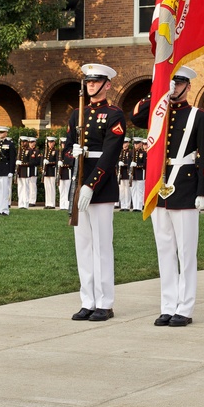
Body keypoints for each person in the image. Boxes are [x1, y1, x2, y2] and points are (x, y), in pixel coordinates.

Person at [130, 66, 204, 327]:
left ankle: (185, 307)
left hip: (186, 187)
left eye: (178, 84)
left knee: (186, 252)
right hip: (160, 188)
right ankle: (168, 304)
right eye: (171, 83)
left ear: (188, 86)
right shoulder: (159, 113)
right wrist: (156, 93)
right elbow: (136, 117)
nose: (174, 87)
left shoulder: (199, 116)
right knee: (164, 249)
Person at [64, 63, 126, 321]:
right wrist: (72, 155)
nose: (91, 85)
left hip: (100, 187)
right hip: (79, 185)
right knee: (83, 246)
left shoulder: (114, 115)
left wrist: (91, 184)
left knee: (101, 246)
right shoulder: (76, 114)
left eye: (96, 81)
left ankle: (104, 302)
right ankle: (87, 300)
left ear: (107, 85)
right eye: (88, 81)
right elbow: (66, 150)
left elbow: (110, 155)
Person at [0, 126, 16, 215]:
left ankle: (5, 209)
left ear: (6, 133)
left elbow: (12, 159)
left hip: (5, 169)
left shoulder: (10, 144)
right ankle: (0, 209)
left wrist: (11, 171)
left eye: (2, 132)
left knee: (5, 191)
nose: (0, 134)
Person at [42, 136, 59, 209]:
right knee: (47, 188)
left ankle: (52, 204)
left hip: (52, 171)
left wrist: (49, 163)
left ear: (54, 143)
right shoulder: (46, 151)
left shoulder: (56, 151)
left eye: (51, 142)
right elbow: (42, 161)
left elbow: (57, 161)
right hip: (46, 172)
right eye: (49, 142)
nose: (50, 144)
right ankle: (47, 203)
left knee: (51, 187)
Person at [130, 137, 146, 211]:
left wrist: (137, 165)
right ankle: (135, 206)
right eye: (135, 144)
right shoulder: (131, 152)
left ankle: (139, 206)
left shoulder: (143, 153)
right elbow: (128, 163)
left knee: (140, 191)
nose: (136, 145)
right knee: (133, 190)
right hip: (133, 174)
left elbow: (145, 164)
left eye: (137, 144)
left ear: (140, 144)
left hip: (140, 174)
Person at [117, 140, 133, 211]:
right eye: (124, 143)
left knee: (127, 190)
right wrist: (118, 163)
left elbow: (131, 161)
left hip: (126, 172)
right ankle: (122, 205)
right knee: (122, 190)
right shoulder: (119, 152)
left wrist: (125, 164)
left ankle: (127, 205)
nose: (125, 145)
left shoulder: (130, 152)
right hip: (121, 173)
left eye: (126, 143)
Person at [57, 145, 72, 211]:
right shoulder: (59, 152)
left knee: (67, 190)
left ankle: (67, 205)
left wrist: (64, 164)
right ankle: (62, 205)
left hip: (67, 173)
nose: (63, 145)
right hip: (61, 173)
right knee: (61, 190)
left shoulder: (70, 152)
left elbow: (71, 162)